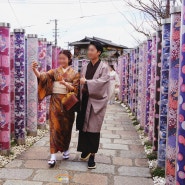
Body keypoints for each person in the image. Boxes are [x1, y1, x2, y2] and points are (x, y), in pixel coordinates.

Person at [32, 50, 80, 168]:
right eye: (60, 59)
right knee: (54, 127)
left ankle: (65, 149)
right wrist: (34, 70)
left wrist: (66, 85)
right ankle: (52, 155)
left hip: (68, 103)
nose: (61, 61)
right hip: (55, 102)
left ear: (69, 59)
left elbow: (76, 89)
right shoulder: (54, 71)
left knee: (66, 127)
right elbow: (43, 77)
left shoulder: (75, 73)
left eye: (64, 58)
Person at [76, 41, 110, 169]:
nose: (89, 52)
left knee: (93, 129)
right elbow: (80, 81)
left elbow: (103, 82)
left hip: (96, 102)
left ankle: (92, 156)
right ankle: (85, 149)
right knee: (84, 128)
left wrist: (87, 82)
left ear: (98, 52)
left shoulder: (104, 67)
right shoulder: (85, 66)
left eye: (92, 50)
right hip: (85, 100)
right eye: (88, 50)